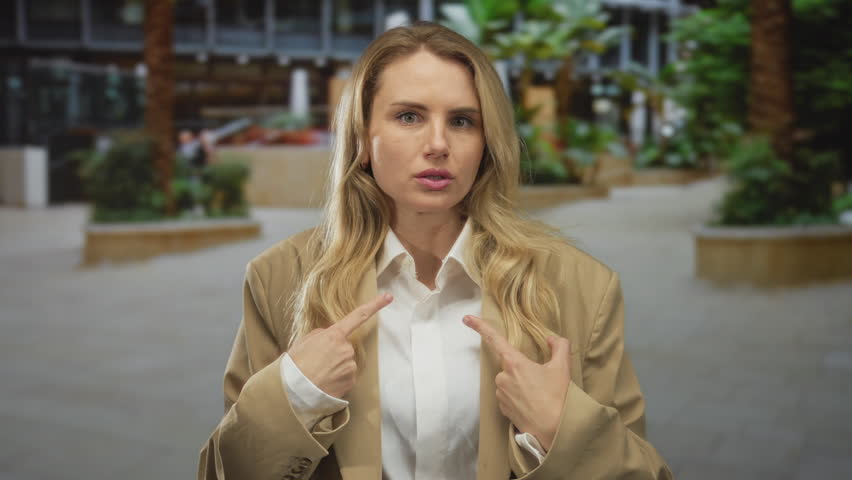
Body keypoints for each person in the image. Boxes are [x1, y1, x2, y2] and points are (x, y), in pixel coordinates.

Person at [198, 22, 673, 480]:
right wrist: (296, 395)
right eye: (409, 116)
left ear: (486, 144)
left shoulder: (581, 286)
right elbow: (223, 472)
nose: (439, 144)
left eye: (463, 121)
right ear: (364, 138)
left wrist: (560, 430)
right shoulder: (279, 277)